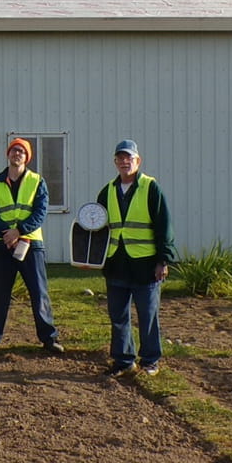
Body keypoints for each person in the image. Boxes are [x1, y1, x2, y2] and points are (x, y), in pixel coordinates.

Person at [0, 138, 64, 355]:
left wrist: (20, 231)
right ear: (8, 154)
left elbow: (40, 211)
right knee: (0, 293)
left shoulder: (37, 181)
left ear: (27, 157)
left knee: (39, 292)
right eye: (14, 150)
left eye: (22, 152)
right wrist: (5, 234)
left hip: (30, 244)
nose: (17, 154)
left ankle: (49, 338)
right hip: (3, 244)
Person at [97, 139, 174, 377]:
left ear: (137, 161)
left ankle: (150, 361)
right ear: (115, 162)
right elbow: (97, 226)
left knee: (147, 316)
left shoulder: (151, 188)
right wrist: (93, 258)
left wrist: (163, 260)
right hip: (117, 264)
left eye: (128, 158)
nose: (124, 162)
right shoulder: (107, 190)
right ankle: (123, 360)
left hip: (145, 265)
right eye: (120, 158)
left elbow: (164, 226)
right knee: (118, 316)